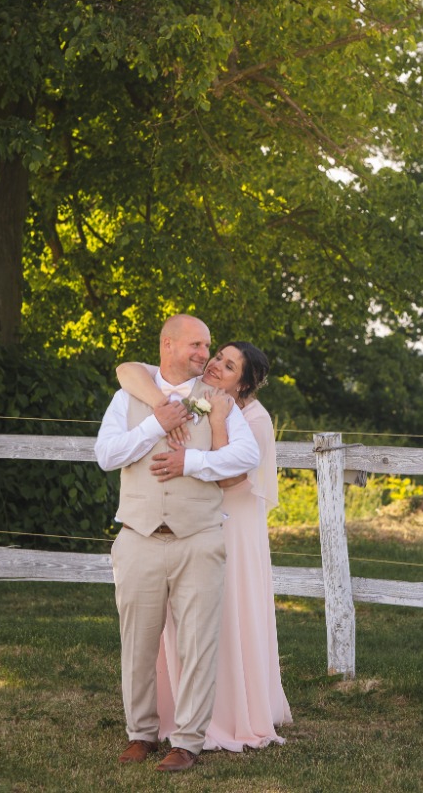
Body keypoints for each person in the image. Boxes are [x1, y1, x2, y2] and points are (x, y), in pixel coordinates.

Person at [95, 315, 260, 773]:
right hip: (138, 537)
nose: (204, 356)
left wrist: (191, 461)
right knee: (138, 644)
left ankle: (187, 741)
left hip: (199, 539)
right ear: (167, 345)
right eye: (196, 345)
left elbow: (247, 457)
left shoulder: (217, 400)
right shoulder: (127, 396)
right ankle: (141, 733)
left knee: (197, 643)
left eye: (208, 347)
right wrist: (155, 424)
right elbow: (106, 456)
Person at [116, 340, 293, 752]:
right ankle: (174, 712)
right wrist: (162, 405)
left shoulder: (255, 418)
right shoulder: (194, 391)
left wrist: (213, 428)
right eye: (218, 356)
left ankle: (226, 716)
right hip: (190, 522)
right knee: (183, 621)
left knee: (224, 618)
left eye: (228, 366)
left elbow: (228, 479)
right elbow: (128, 370)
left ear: (244, 386)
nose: (214, 365)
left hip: (233, 525)